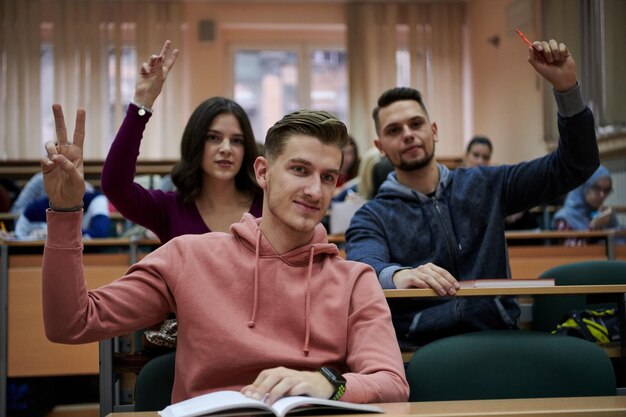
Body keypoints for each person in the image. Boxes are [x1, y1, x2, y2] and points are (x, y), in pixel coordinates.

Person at [40, 104, 409, 405]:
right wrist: (66, 210)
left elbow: (391, 382)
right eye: (299, 170)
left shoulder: (354, 280)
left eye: (328, 177)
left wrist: (330, 383)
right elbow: (71, 322)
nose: (315, 190)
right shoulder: (188, 257)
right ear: (263, 172)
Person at [345, 39, 599, 346]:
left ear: (434, 130)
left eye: (416, 124)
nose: (408, 134)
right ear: (380, 147)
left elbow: (576, 164)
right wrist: (395, 275)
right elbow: (363, 266)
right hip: (422, 350)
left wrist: (566, 88)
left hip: (498, 338)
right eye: (394, 130)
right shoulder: (372, 216)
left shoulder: (487, 184)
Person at [101, 40, 262, 243]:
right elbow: (114, 185)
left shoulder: (266, 207)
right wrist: (142, 105)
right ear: (195, 143)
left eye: (237, 140)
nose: (226, 149)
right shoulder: (169, 209)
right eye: (213, 138)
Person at [462, 135, 539, 235]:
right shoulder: (455, 182)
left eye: (485, 157)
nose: (480, 161)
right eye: (476, 155)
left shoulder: (495, 180)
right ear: (467, 155)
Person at [553, 165, 620, 246]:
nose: (602, 195)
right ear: (584, 186)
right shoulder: (564, 218)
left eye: (606, 190)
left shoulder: (605, 215)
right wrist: (593, 227)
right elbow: (571, 251)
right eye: (597, 188)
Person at [14, 191, 111, 239]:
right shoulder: (34, 210)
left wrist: (55, 234)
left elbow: (101, 233)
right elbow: (18, 239)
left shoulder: (96, 200)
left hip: (87, 258)